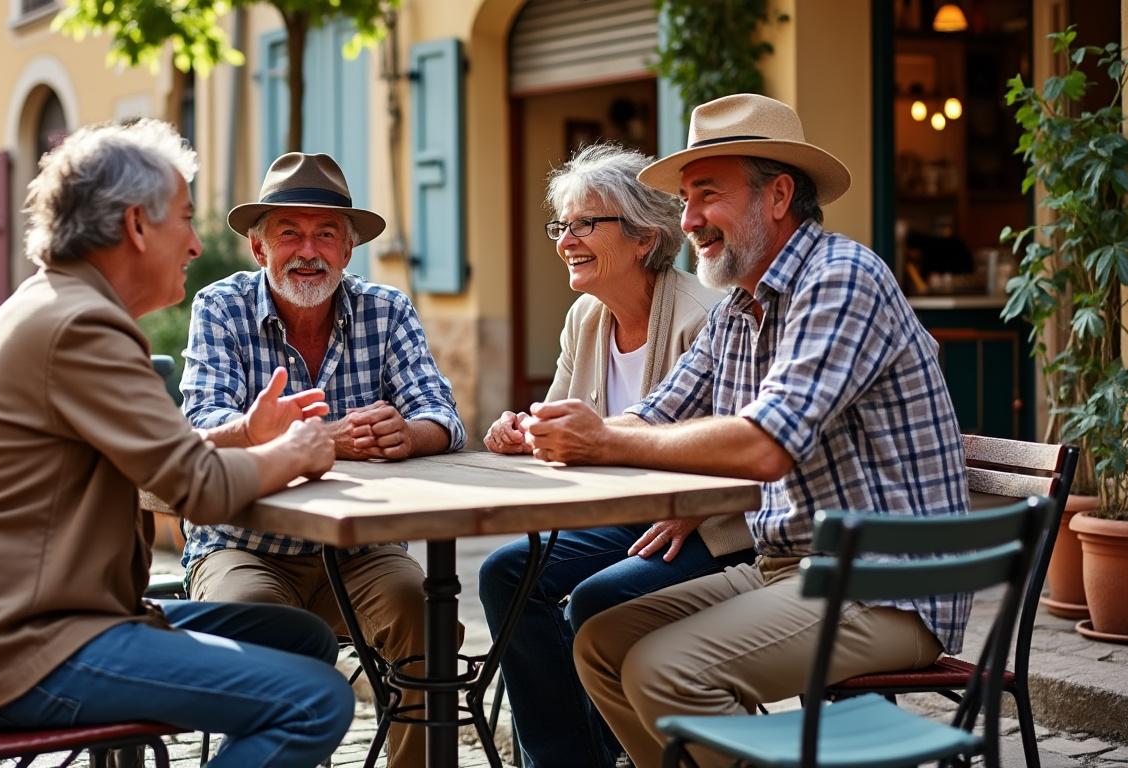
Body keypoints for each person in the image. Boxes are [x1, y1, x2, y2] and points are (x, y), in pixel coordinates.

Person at [524, 94, 971, 768]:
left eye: (708, 195)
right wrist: (563, 429)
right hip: (785, 566)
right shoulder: (741, 304)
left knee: (664, 670)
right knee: (600, 639)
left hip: (885, 583)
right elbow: (657, 413)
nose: (690, 220)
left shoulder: (841, 279)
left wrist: (606, 440)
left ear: (779, 195)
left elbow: (765, 445)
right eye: (685, 198)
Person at [0, 119, 354, 768]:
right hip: (32, 648)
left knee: (300, 637)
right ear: (137, 226)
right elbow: (198, 492)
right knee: (316, 700)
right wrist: (293, 451)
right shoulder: (84, 326)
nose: (198, 245)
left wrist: (243, 434)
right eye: (185, 217)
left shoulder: (46, 304)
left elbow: (154, 461)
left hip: (19, 628)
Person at [180, 152, 467, 768]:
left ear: (347, 251)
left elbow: (445, 418)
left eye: (326, 234)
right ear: (260, 250)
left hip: (362, 546)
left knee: (426, 615)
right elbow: (202, 427)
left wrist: (408, 434)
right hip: (245, 544)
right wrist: (319, 440)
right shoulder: (220, 308)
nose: (308, 251)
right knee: (252, 620)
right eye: (290, 233)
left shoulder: (386, 310)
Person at [476, 143, 753, 768]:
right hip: (628, 520)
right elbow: (566, 428)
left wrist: (694, 504)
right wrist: (524, 431)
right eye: (561, 225)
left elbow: (740, 439)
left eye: (583, 225)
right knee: (506, 574)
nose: (565, 240)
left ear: (641, 237)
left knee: (596, 597)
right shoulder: (585, 318)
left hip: (708, 527)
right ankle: (564, 759)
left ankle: (611, 751)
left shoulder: (703, 316)